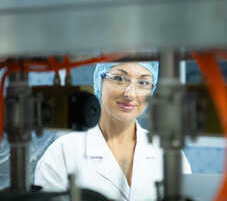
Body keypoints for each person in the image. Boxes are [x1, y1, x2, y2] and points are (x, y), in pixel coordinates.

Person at [34, 62, 191, 201]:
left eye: (143, 82)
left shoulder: (169, 153)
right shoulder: (62, 152)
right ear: (99, 81)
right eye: (120, 79)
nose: (130, 94)